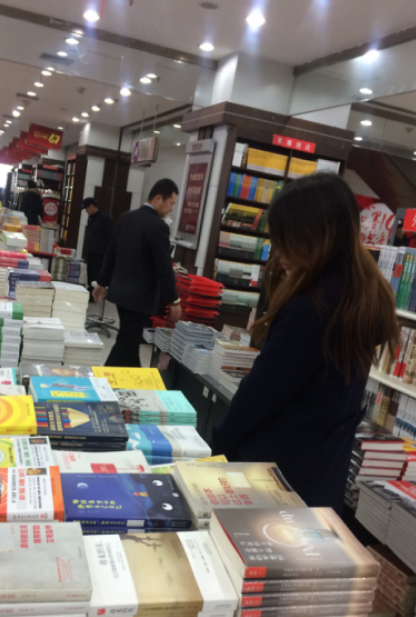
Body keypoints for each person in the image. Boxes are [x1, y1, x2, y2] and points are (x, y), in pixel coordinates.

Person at [212, 173, 400, 514]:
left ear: (317, 237)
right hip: (320, 475)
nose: (279, 251)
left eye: (288, 239)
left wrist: (217, 449)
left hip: (276, 477)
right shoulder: (362, 292)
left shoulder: (312, 309)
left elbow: (259, 395)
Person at [94, 179, 182, 368]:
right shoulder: (159, 226)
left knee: (130, 343)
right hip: (139, 298)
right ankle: (103, 380)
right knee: (125, 343)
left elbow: (111, 253)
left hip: (120, 293)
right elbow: (164, 267)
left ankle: (136, 379)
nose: (171, 209)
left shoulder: (126, 217)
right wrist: (174, 300)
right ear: (158, 198)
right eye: (170, 203)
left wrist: (102, 282)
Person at [81, 197, 113, 299]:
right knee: (90, 273)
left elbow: (109, 236)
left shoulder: (104, 218)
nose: (86, 211)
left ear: (91, 206)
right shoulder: (90, 218)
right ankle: (91, 290)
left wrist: (108, 252)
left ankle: (95, 293)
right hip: (91, 251)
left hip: (100, 252)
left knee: (97, 273)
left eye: (87, 208)